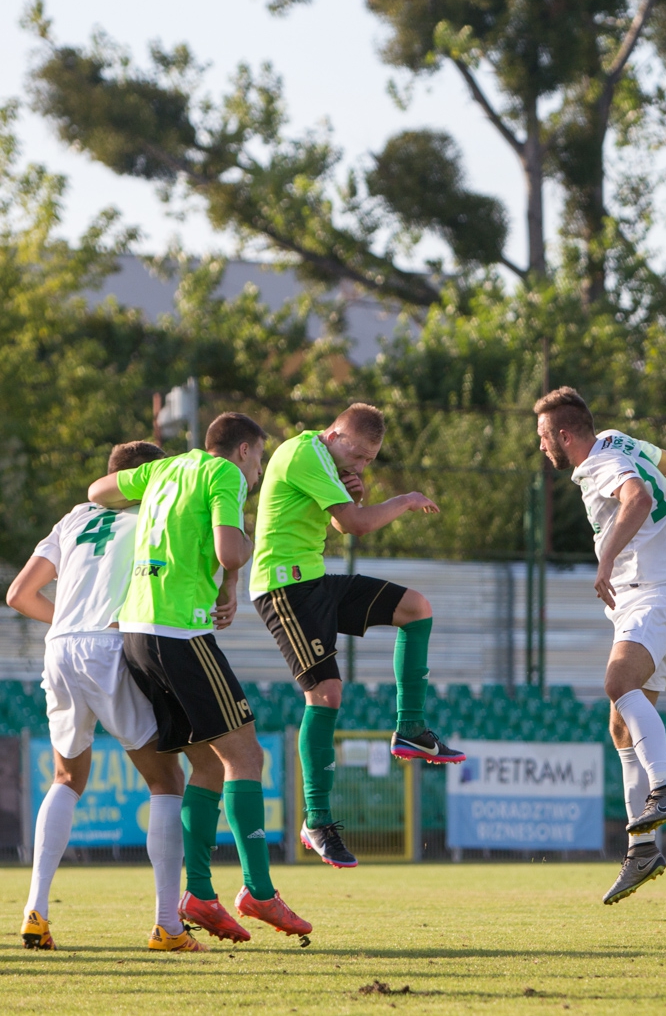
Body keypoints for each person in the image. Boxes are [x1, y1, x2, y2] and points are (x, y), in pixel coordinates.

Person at [88, 412, 310, 944]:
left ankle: (201, 895)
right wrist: (239, 558)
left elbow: (98, 491)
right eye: (259, 457)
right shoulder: (223, 475)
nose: (257, 471)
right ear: (242, 451)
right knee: (247, 756)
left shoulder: (165, 471)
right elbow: (230, 550)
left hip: (136, 631)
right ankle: (257, 890)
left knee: (207, 765)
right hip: (178, 631)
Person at [8, 441, 206, 952]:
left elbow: (19, 595)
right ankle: (168, 926)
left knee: (67, 779)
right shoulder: (152, 519)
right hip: (111, 646)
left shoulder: (75, 517)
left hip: (60, 649)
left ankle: (36, 913)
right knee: (166, 780)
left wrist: (73, 625)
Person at [534, 387, 666, 905]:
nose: (541, 447)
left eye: (543, 437)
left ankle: (664, 790)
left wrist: (605, 561)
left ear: (565, 435)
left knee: (617, 683)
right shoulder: (619, 441)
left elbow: (639, 498)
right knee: (622, 720)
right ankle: (642, 848)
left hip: (652, 589)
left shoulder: (602, 463)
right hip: (657, 591)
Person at [249, 402, 458, 870]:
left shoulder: (325, 461)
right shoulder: (303, 453)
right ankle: (317, 821)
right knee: (326, 696)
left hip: (315, 580)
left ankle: (409, 729)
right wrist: (403, 500)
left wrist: (355, 496)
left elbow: (346, 522)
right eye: (360, 456)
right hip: (284, 586)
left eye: (370, 460)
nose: (362, 464)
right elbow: (359, 527)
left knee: (416, 608)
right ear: (336, 434)